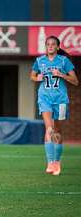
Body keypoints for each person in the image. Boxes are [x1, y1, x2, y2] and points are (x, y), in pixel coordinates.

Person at [30, 35, 78, 176]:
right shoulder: (40, 61)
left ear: (57, 47)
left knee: (57, 132)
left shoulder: (64, 61)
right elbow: (32, 76)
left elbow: (75, 81)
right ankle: (50, 162)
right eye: (48, 44)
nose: (50, 46)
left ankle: (57, 161)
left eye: (53, 44)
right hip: (44, 98)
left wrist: (61, 75)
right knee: (49, 128)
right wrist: (37, 77)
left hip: (61, 100)